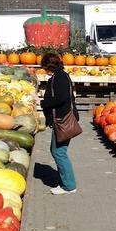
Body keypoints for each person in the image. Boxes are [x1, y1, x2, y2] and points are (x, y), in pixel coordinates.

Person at [40, 53, 79, 195]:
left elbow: (61, 98)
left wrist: (43, 103)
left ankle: (69, 185)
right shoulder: (62, 75)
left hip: (62, 120)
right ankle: (66, 182)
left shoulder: (59, 78)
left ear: (48, 65)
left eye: (44, 66)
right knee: (57, 150)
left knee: (59, 152)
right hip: (62, 119)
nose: (43, 69)